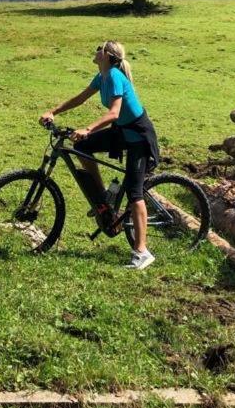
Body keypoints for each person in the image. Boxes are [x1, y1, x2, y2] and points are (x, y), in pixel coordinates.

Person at [40, 41, 160, 270]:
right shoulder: (102, 76)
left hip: (138, 137)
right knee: (83, 147)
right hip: (122, 132)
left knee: (135, 193)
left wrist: (88, 128)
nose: (95, 50)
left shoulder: (114, 75)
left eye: (99, 47)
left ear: (106, 55)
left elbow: (114, 112)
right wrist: (53, 111)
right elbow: (79, 98)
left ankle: (142, 252)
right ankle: (104, 197)